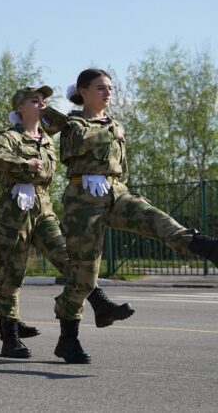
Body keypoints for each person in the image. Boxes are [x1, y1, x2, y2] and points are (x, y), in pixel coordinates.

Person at [54, 68, 218, 364]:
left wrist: (120, 186)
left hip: (115, 192)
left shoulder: (114, 124)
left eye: (110, 88)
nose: (108, 92)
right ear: (83, 91)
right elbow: (77, 145)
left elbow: (122, 164)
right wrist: (105, 130)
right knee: (84, 274)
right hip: (83, 200)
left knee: (157, 219)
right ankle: (68, 339)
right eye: (101, 88)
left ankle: (209, 247)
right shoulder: (72, 123)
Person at [0, 86, 133, 359]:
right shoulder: (9, 137)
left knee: (69, 259)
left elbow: (70, 128)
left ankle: (100, 304)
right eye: (34, 101)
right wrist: (24, 163)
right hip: (13, 211)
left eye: (44, 101)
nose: (41, 104)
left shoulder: (47, 139)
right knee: (11, 275)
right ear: (20, 108)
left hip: (43, 207)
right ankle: (9, 338)